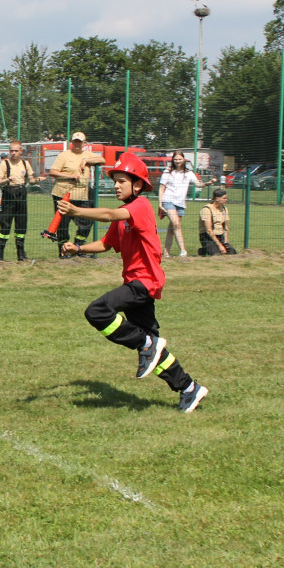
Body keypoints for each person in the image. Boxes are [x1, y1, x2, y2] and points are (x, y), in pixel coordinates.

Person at [57, 153, 208, 413]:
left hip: (143, 283)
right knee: (154, 354)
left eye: (121, 180)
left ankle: (145, 343)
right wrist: (78, 249)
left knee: (97, 311)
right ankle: (189, 389)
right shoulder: (124, 214)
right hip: (136, 283)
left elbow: (108, 214)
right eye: (115, 180)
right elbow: (106, 244)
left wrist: (75, 210)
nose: (116, 185)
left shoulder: (139, 207)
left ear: (137, 185)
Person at [48, 132, 105, 258]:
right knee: (63, 225)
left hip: (81, 195)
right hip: (63, 194)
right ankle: (63, 252)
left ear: (84, 143)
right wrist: (70, 176)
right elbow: (52, 172)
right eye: (75, 141)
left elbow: (102, 160)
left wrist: (86, 160)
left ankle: (77, 247)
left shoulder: (87, 154)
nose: (78, 144)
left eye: (80, 141)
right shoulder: (64, 155)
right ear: (71, 142)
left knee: (87, 222)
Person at [158, 150, 215, 257]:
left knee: (172, 228)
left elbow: (198, 184)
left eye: (180, 159)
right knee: (176, 224)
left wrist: (208, 183)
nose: (178, 161)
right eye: (175, 159)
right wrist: (160, 203)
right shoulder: (167, 172)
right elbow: (161, 188)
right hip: (168, 200)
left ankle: (166, 252)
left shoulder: (188, 173)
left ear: (183, 159)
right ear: (173, 160)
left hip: (180, 203)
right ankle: (183, 250)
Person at [0, 140, 44, 262]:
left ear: (21, 151)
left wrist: (38, 180)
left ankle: (21, 255)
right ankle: (0, 256)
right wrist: (7, 180)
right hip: (8, 193)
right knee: (5, 226)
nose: (13, 153)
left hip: (21, 193)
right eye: (11, 150)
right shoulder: (4, 164)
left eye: (16, 151)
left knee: (21, 225)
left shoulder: (25, 164)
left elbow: (31, 180)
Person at [197, 189, 237, 256]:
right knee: (216, 255)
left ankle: (207, 249)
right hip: (208, 237)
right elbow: (209, 230)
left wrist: (226, 241)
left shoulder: (224, 209)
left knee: (232, 253)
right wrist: (220, 245)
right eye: (224, 198)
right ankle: (203, 250)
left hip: (220, 236)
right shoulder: (207, 210)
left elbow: (226, 227)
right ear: (217, 199)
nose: (226, 200)